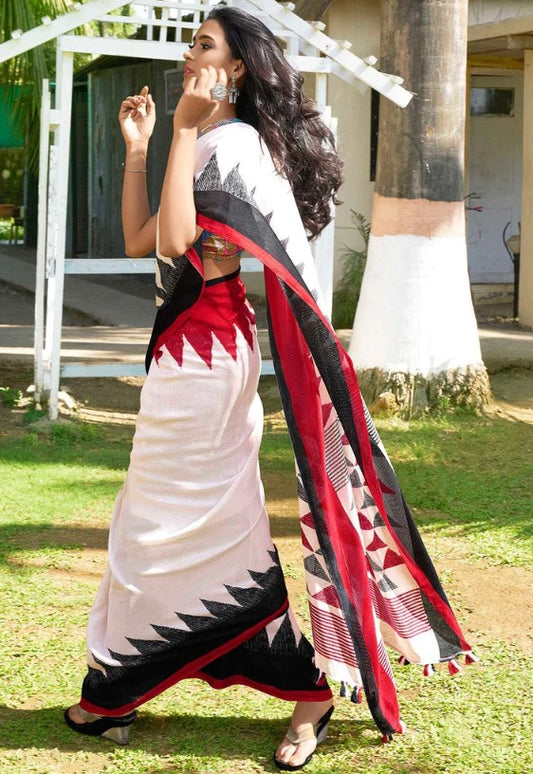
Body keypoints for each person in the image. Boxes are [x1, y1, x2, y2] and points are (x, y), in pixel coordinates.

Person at [64, 7, 473, 771]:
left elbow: (181, 241)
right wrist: (141, 150)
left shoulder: (234, 146)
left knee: (173, 523)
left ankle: (294, 687)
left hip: (210, 356)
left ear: (238, 67)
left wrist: (181, 131)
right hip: (180, 354)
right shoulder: (205, 138)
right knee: (156, 523)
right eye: (191, 43)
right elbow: (144, 241)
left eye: (204, 44)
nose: (189, 55)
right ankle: (129, 682)